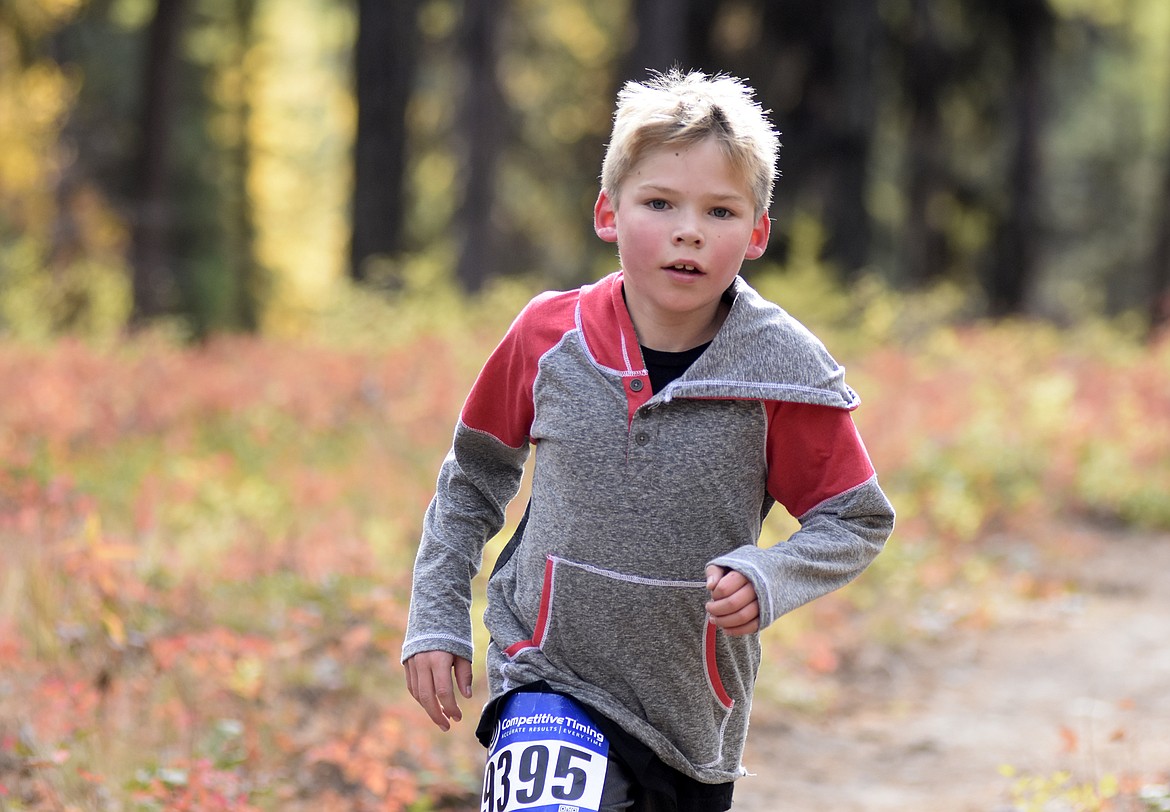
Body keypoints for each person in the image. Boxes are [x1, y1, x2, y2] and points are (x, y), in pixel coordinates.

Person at [402, 68, 895, 811]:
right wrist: (437, 614)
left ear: (757, 232)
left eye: (720, 211)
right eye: (659, 203)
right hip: (546, 672)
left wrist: (772, 575)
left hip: (691, 713)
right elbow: (471, 481)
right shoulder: (547, 338)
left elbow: (856, 519)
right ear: (609, 211)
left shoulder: (783, 371)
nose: (688, 229)